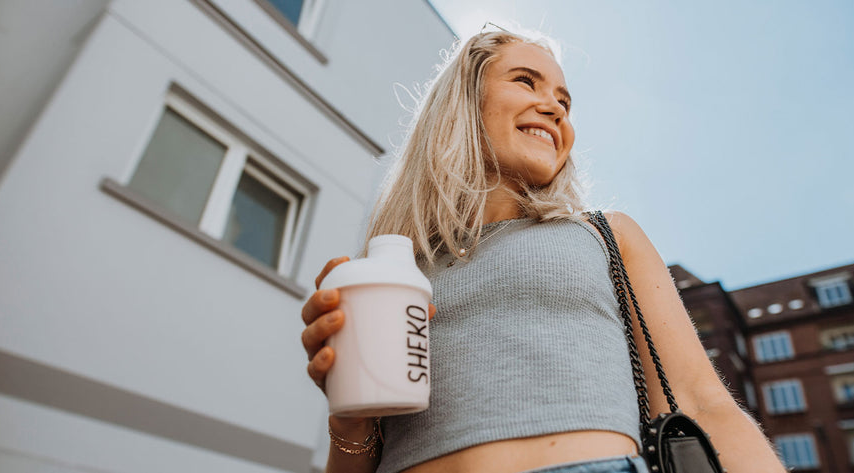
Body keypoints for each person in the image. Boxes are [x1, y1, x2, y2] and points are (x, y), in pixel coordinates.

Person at [300, 28, 786, 473]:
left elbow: (701, 404)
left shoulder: (604, 235)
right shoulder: (396, 271)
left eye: (565, 101)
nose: (555, 108)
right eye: (526, 81)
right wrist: (349, 422)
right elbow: (357, 453)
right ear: (464, 102)